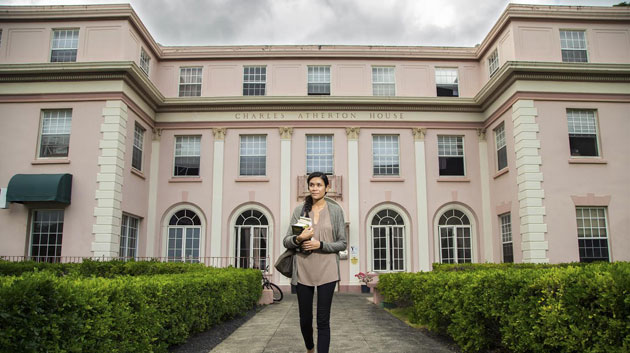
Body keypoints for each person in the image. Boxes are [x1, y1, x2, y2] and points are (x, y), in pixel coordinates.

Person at [283, 171, 347, 353]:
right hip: (303, 269)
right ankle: (310, 348)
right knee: (305, 319)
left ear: (327, 188)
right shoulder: (300, 210)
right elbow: (287, 240)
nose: (315, 188)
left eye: (319, 185)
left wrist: (321, 244)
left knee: (323, 319)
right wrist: (299, 238)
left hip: (327, 270)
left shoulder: (335, 211)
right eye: (312, 185)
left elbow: (342, 243)